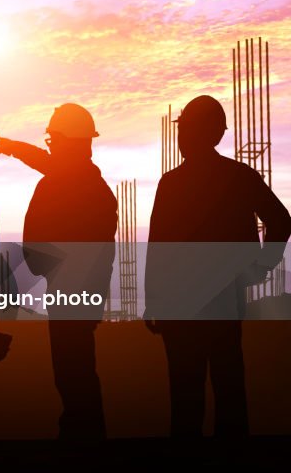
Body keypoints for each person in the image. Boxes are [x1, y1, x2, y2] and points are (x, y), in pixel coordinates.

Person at [145, 95, 290, 438]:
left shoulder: (173, 183)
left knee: (187, 391)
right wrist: (261, 266)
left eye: (186, 131)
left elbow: (158, 247)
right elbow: (281, 221)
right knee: (226, 385)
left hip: (183, 301)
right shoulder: (239, 177)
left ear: (200, 133)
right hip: (223, 296)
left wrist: (154, 298)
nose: (180, 138)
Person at [0, 103, 117, 440]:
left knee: (72, 370)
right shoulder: (94, 187)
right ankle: (85, 434)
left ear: (69, 142)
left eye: (53, 140)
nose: (50, 147)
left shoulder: (64, 184)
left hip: (69, 290)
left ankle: (82, 437)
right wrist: (15, 148)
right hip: (83, 291)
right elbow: (49, 163)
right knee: (77, 369)